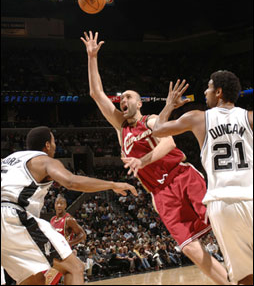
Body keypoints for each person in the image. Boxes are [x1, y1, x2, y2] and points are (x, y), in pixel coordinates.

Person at [80, 30, 231, 285]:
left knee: (220, 222)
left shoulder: (150, 121)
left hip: (182, 176)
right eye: (121, 98)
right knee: (189, 247)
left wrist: (143, 160)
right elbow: (97, 94)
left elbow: (169, 142)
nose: (122, 100)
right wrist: (92, 57)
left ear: (139, 104)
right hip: (160, 193)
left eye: (128, 96)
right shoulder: (121, 127)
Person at [1, 126, 138, 285]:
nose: (55, 146)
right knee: (74, 268)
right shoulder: (44, 160)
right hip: (13, 216)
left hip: (7, 223)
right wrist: (112, 184)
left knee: (34, 279)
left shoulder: (9, 160)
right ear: (47, 145)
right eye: (53, 142)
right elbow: (71, 181)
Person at [151, 72, 253, 285]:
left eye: (208, 87)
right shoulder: (250, 117)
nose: (205, 92)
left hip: (222, 204)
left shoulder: (197, 118)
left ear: (219, 92)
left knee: (244, 276)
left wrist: (169, 105)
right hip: (251, 197)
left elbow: (158, 130)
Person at [44, 194, 87, 285]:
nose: (59, 205)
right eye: (57, 203)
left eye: (61, 203)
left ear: (65, 205)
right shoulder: (53, 219)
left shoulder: (69, 219)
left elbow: (82, 235)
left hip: (63, 257)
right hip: (52, 256)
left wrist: (69, 243)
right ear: (54, 205)